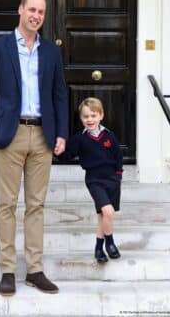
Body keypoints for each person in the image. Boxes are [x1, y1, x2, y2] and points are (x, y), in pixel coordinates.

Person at [0, 0, 68, 296]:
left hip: (42, 135)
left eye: (41, 12)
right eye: (32, 9)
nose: (36, 16)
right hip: (10, 133)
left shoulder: (51, 52)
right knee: (6, 204)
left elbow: (59, 94)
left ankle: (34, 269)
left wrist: (62, 133)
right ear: (20, 10)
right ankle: (7, 269)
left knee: (36, 205)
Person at [59, 97, 122, 264]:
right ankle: (110, 243)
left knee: (103, 215)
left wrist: (118, 175)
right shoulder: (79, 138)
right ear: (81, 119)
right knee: (108, 212)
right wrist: (56, 149)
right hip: (94, 180)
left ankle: (98, 249)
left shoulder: (109, 135)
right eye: (86, 116)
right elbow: (67, 155)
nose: (90, 120)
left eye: (93, 115)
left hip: (112, 179)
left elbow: (118, 155)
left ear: (101, 115)